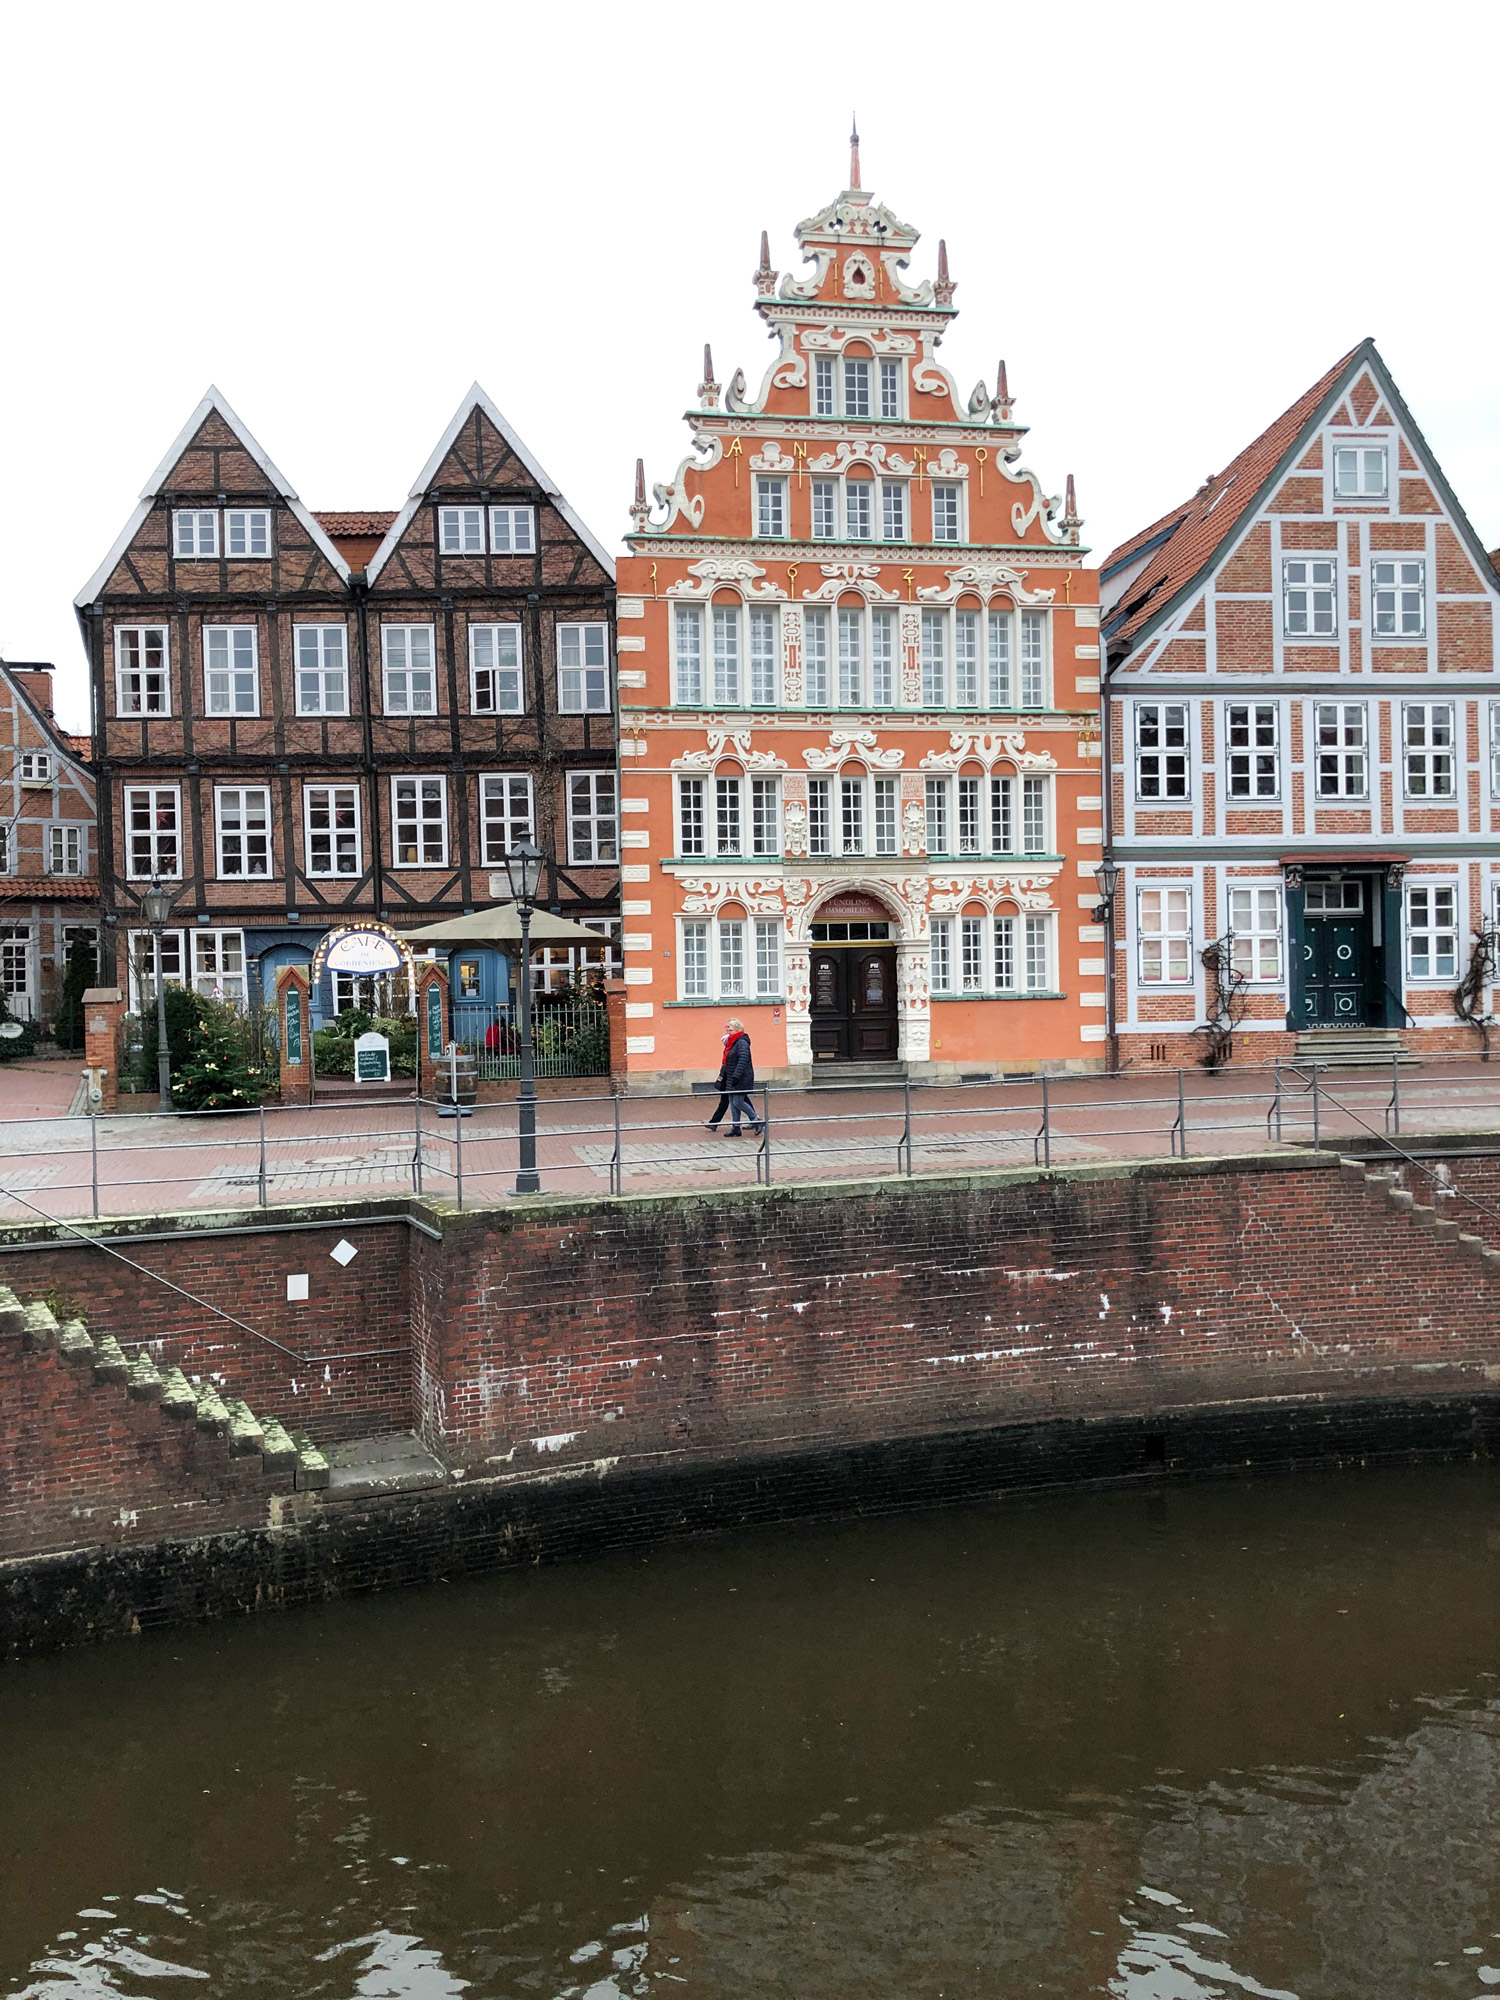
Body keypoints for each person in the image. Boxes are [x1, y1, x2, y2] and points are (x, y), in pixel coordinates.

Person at [705, 1019, 763, 1137]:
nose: (728, 1031)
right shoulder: (732, 1042)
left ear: (737, 1030)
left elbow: (743, 1060)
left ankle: (757, 1120)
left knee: (738, 1102)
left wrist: (736, 1075)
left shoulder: (741, 1042)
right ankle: (735, 1127)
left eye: (730, 1029)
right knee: (732, 1102)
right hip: (731, 1076)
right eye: (727, 1028)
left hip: (740, 1077)